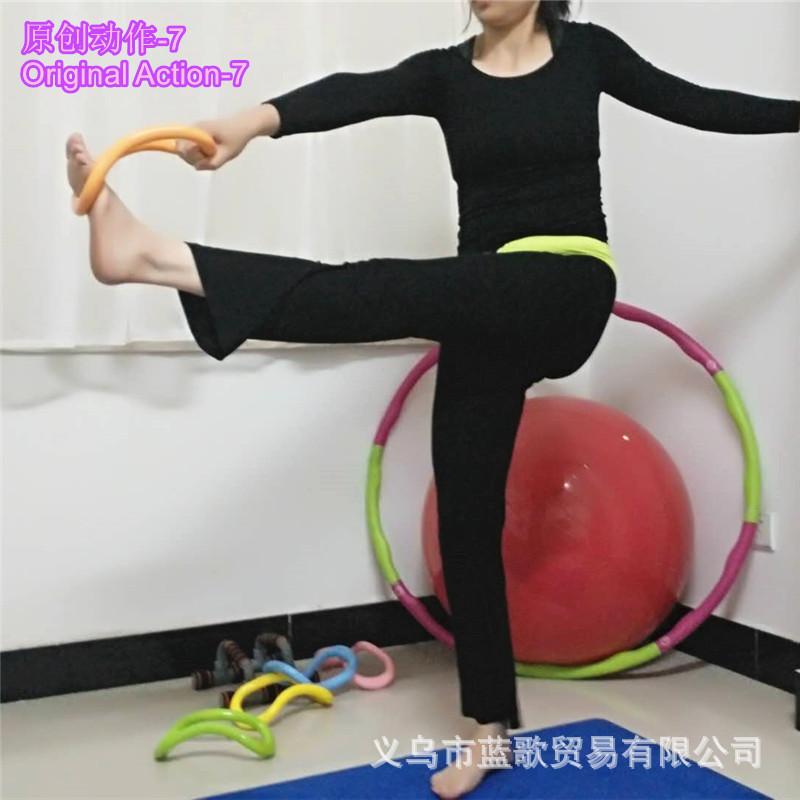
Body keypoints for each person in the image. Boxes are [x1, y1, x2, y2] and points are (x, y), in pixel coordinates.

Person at [65, 1, 798, 796]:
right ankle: (490, 729)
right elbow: (351, 91)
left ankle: (160, 259)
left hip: (565, 283)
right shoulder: (443, 75)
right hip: (482, 306)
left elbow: (700, 103)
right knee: (465, 518)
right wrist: (246, 123)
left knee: (389, 286)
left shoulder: (589, 53)